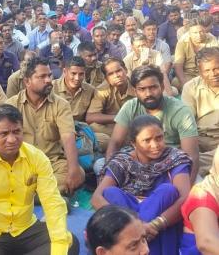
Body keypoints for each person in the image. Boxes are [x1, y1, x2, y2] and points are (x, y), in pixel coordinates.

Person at [0, 104, 79, 255]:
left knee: (68, 244)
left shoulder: (36, 157)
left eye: (17, 132)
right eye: (4, 134)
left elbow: (53, 203)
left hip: (27, 229)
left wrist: (59, 249)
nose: (12, 139)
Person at [92, 115, 192, 255]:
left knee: (167, 191)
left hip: (164, 222)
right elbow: (96, 197)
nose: (155, 145)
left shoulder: (175, 158)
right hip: (128, 221)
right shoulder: (123, 161)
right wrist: (137, 225)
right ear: (133, 143)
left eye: (159, 138)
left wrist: (154, 224)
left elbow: (185, 198)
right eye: (147, 140)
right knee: (110, 193)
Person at [106, 65, 199, 182]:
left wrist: (186, 188)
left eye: (153, 87)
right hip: (139, 159)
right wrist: (111, 172)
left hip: (171, 161)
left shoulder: (181, 111)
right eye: (142, 89)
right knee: (101, 165)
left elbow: (191, 155)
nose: (148, 93)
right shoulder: (130, 107)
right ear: (135, 91)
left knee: (197, 187)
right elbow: (115, 142)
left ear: (162, 86)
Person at [6, 57, 85, 194]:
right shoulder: (12, 105)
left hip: (51, 162)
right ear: (27, 82)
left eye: (49, 75)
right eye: (42, 76)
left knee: (78, 172)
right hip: (20, 163)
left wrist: (73, 170)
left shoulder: (61, 104)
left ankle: (29, 194)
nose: (48, 80)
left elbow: (68, 137)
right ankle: (44, 193)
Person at [182, 47, 219, 177]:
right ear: (200, 72)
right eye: (207, 70)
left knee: (187, 164)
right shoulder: (191, 87)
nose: (213, 74)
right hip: (201, 142)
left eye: (216, 68)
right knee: (183, 156)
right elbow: (187, 122)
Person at [173, 18, 218, 90]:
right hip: (189, 74)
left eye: (201, 32)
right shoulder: (182, 41)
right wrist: (184, 84)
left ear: (205, 30)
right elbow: (178, 65)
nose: (199, 35)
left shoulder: (212, 39)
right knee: (175, 82)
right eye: (195, 33)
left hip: (208, 73)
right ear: (189, 33)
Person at [52, 56, 95, 122]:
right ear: (64, 71)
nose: (77, 78)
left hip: (79, 129)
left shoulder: (90, 90)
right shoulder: (51, 88)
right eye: (73, 73)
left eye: (81, 74)